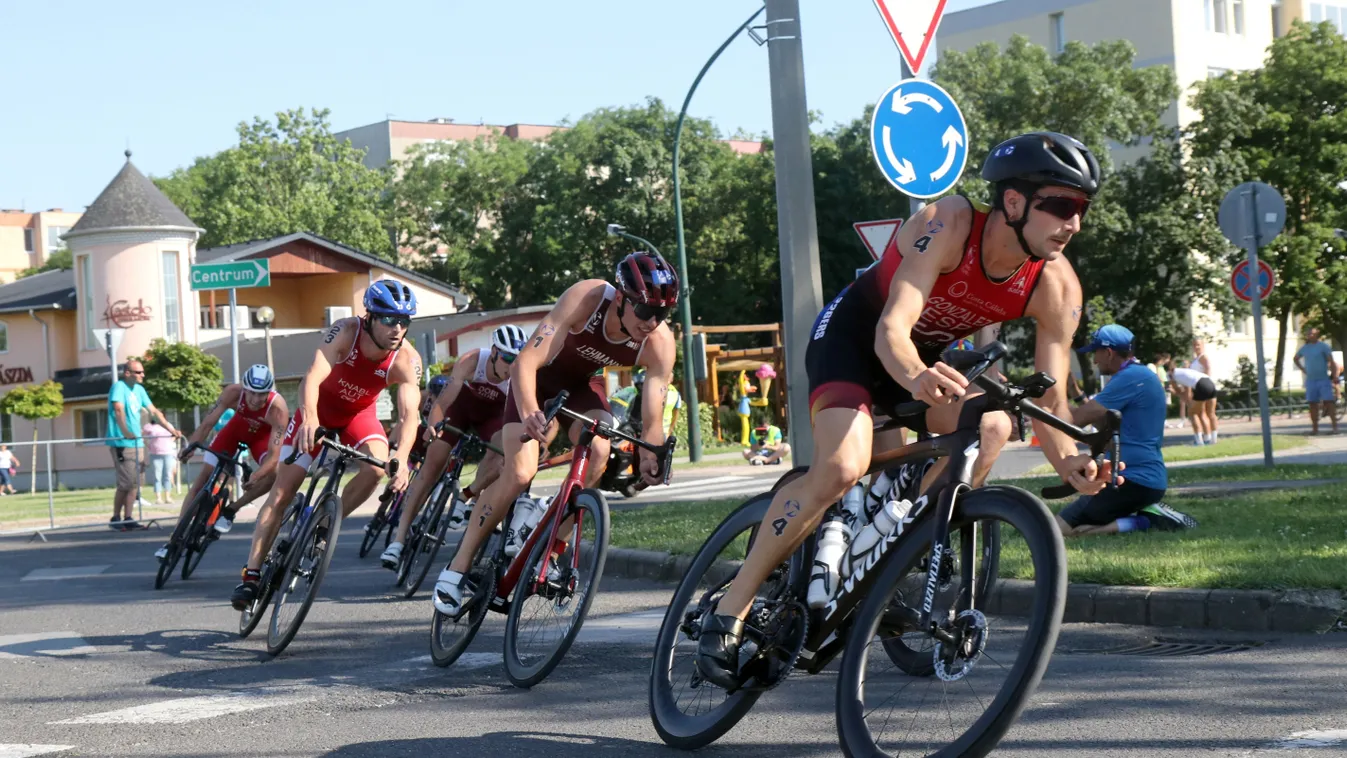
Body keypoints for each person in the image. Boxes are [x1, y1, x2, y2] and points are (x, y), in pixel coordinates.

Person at [695, 132, 1121, 688]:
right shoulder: (950, 223)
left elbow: (1051, 396)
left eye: (1082, 209)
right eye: (1061, 206)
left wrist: (1071, 464)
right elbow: (891, 329)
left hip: (929, 361)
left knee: (992, 424)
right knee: (842, 467)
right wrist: (917, 376)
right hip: (857, 340)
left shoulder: (1056, 285)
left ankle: (894, 550)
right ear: (1014, 202)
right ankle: (731, 607)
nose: (1074, 223)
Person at [432, 251, 679, 615]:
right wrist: (530, 411)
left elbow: (654, 420)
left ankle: (550, 553)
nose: (652, 322)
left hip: (582, 386)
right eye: (645, 310)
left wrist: (650, 456)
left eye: (662, 313)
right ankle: (457, 568)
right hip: (536, 380)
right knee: (519, 473)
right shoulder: (588, 298)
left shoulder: (659, 342)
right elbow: (526, 362)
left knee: (599, 449)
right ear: (621, 298)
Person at [230, 280, 423, 610]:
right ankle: (252, 574)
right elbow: (313, 376)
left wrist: (402, 457)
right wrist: (309, 418)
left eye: (404, 321)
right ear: (369, 317)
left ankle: (326, 523)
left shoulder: (406, 359)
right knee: (282, 492)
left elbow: (409, 416)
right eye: (389, 319)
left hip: (358, 416)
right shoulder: (345, 332)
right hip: (318, 410)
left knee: (376, 468)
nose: (397, 329)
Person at [380, 325, 525, 570]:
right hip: (459, 410)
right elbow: (443, 402)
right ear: (493, 352)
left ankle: (466, 496)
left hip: (491, 418)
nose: (512, 366)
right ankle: (398, 540)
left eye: (517, 360)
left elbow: (519, 418)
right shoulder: (472, 361)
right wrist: (433, 426)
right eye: (507, 358)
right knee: (432, 465)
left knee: (501, 450)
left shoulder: (518, 378)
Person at [1058, 325, 1197, 536]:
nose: (1094, 360)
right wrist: (1075, 394)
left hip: (1131, 480)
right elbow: (1103, 426)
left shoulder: (1130, 378)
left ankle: (1146, 521)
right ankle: (1143, 516)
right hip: (1143, 480)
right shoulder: (1137, 375)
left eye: (1096, 353)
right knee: (1076, 527)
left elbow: (1076, 420)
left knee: (1059, 529)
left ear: (1109, 352)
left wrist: (1052, 400)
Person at [153, 365, 289, 561]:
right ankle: (174, 540)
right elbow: (208, 423)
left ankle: (231, 509)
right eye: (252, 392)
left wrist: (257, 475)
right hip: (235, 430)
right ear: (244, 388)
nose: (255, 399)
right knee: (203, 478)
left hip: (261, 438)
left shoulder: (278, 409)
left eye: (262, 394)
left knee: (274, 473)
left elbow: (274, 455)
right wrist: (191, 447)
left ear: (269, 392)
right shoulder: (232, 392)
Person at [107, 359, 181, 531]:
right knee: (126, 482)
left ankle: (128, 518)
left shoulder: (139, 390)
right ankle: (116, 518)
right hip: (122, 441)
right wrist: (125, 432)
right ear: (127, 373)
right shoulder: (119, 387)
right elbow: (118, 409)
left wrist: (171, 428)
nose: (143, 375)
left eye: (142, 372)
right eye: (138, 372)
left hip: (137, 441)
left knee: (136, 483)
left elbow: (154, 411)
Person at [1295, 326, 1338, 435]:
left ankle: (1335, 428)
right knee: (1312, 404)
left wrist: (1334, 376)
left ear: (1317, 335)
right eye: (1309, 334)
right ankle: (1315, 429)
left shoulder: (1323, 346)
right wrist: (1303, 369)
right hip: (1311, 380)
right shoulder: (1305, 348)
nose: (1311, 336)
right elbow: (1296, 358)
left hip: (1323, 379)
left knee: (1329, 402)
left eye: (1313, 334)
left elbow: (1331, 361)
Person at [1172, 358, 1218, 446]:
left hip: (1201, 386)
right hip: (1210, 383)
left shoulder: (1176, 375)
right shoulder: (1190, 372)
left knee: (1192, 413)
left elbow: (1187, 395)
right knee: (1209, 414)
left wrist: (1177, 394)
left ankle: (1199, 441)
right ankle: (1211, 439)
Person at [1188, 339, 1219, 444]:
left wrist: (1204, 384)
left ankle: (1207, 439)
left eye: (1198, 345)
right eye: (1194, 345)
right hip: (1202, 387)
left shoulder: (1203, 357)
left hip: (1203, 387)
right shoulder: (1195, 359)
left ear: (1203, 345)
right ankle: (1208, 438)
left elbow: (1208, 370)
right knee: (1203, 413)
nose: (1196, 347)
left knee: (1197, 413)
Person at [141, 417, 178, 505]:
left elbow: (175, 434)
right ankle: (158, 498)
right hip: (155, 454)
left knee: (167, 475)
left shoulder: (168, 425)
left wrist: (170, 442)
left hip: (168, 453)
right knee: (157, 476)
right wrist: (148, 445)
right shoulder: (149, 426)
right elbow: (141, 435)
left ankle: (168, 497)